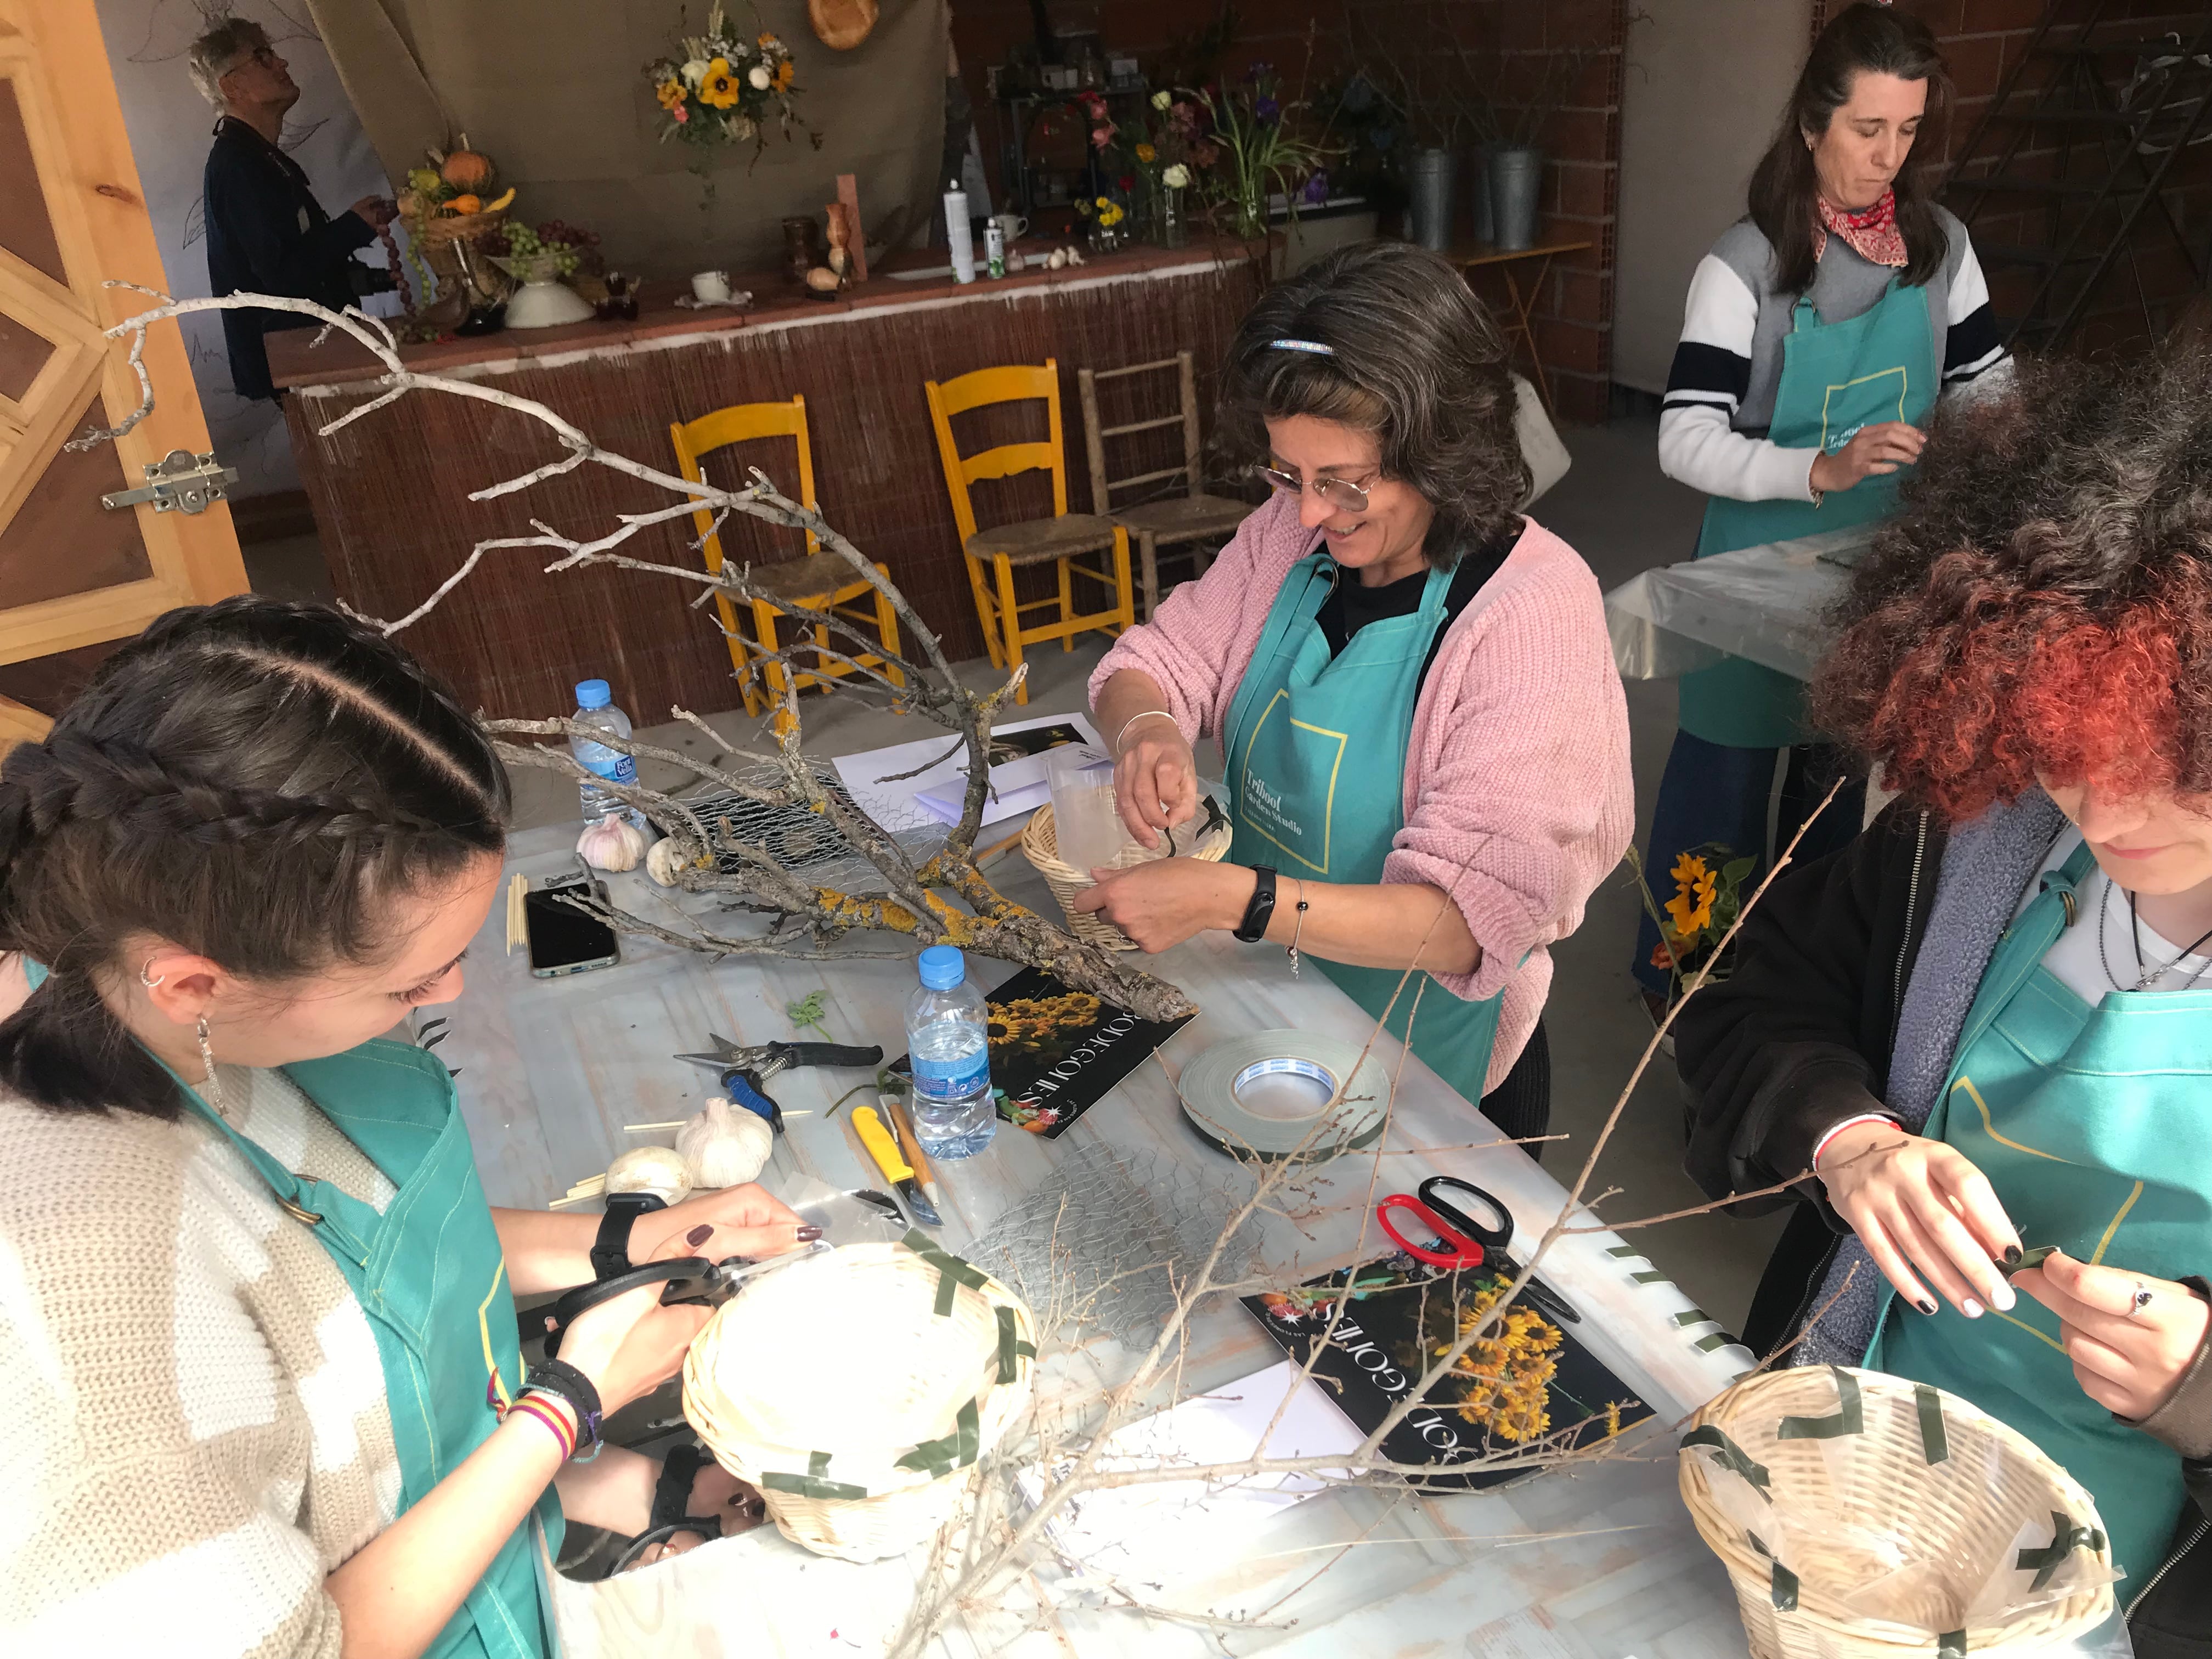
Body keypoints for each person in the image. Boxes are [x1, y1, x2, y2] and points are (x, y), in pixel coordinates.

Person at [0, 599, 804, 1655]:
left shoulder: (120, 984)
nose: (454, 988)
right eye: (407, 986)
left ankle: (595, 1495)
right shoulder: (83, 1321)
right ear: (200, 982)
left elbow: (362, 1243)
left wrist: (627, 1238)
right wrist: (567, 1401)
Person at [1676, 353, 2211, 1649]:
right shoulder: (1975, 843)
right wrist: (1850, 1139)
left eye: (2182, 771)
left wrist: (2201, 1390)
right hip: (1842, 1449)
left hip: (2107, 1546)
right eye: (2082, 759)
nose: (2113, 816)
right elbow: (1750, 1007)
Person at [1079, 240, 1634, 1142]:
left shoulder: (1532, 614)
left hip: (1430, 1063)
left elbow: (1464, 921)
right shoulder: (1288, 539)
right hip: (1271, 1013)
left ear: (1441, 453)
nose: (1305, 513)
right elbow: (1156, 660)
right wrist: (1147, 725)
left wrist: (1233, 899)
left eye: (1343, 483)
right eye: (1286, 475)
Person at [1634, 2, 2011, 1017]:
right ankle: (1688, 980)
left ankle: (1793, 985)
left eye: (1906, 131)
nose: (1887, 157)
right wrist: (1821, 468)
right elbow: (1682, 438)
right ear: (1810, 125)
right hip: (1750, 578)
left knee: (1836, 791)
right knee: (1720, 792)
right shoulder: (1745, 265)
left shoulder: (1938, 251)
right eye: (1864, 130)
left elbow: (1988, 391)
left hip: (1883, 574)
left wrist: (2001, 459)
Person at [188, 19, 396, 402]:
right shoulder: (239, 166)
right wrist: (352, 228)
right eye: (263, 57)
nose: (282, 64)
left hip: (307, 353)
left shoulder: (256, 157)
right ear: (231, 86)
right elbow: (280, 277)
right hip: (296, 360)